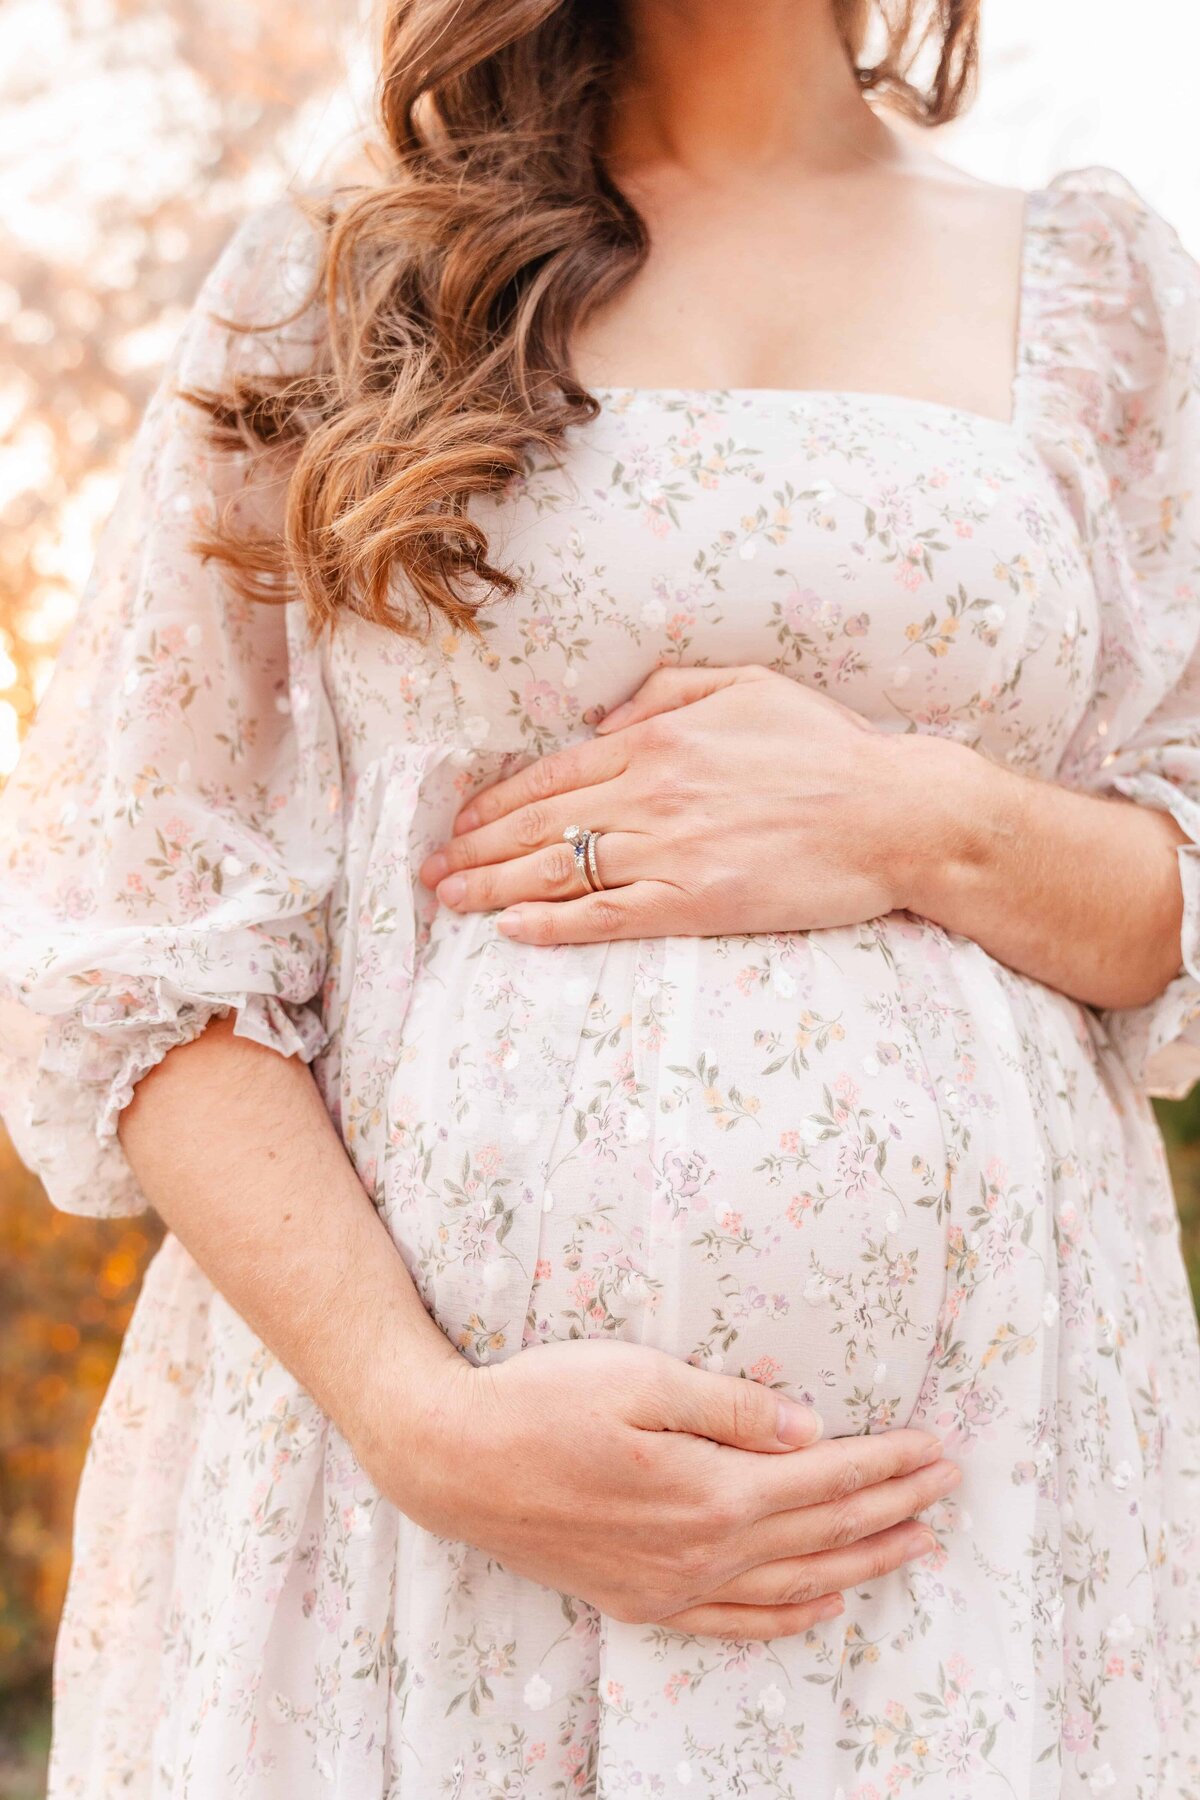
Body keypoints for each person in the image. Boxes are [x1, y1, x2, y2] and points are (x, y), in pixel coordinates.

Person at [2, 0, 1198, 1793]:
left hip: (985, 1533)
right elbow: (143, 942)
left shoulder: (1102, 290)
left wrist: (914, 820)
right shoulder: (335, 286)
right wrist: (424, 1421)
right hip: (420, 1535)